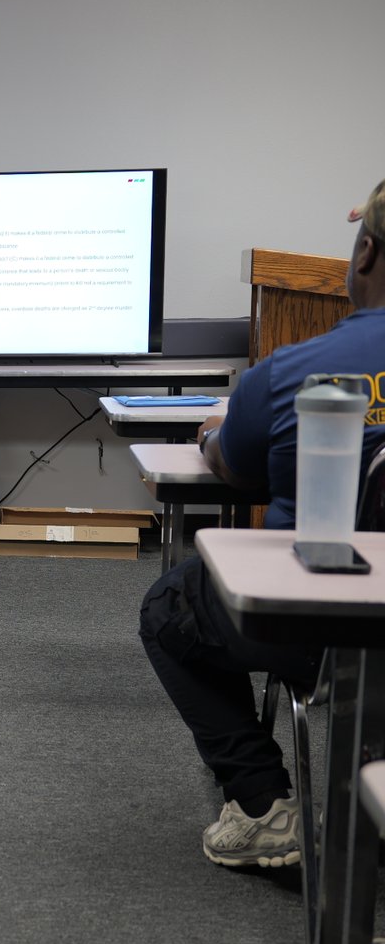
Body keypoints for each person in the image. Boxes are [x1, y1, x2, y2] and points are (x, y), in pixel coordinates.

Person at [139, 177, 385, 868]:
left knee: (167, 608)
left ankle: (262, 805)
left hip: (316, 631)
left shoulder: (289, 373)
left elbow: (234, 468)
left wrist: (215, 427)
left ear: (364, 254)